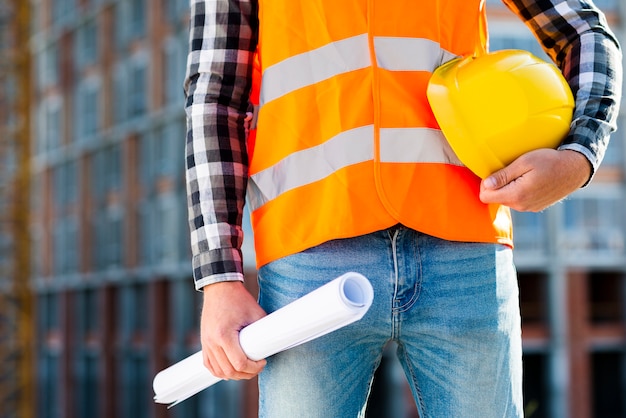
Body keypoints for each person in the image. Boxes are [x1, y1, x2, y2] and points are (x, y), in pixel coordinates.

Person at [183, 0, 622, 416]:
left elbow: (584, 30)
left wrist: (578, 156)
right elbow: (216, 97)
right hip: (310, 251)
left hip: (463, 244)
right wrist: (218, 277)